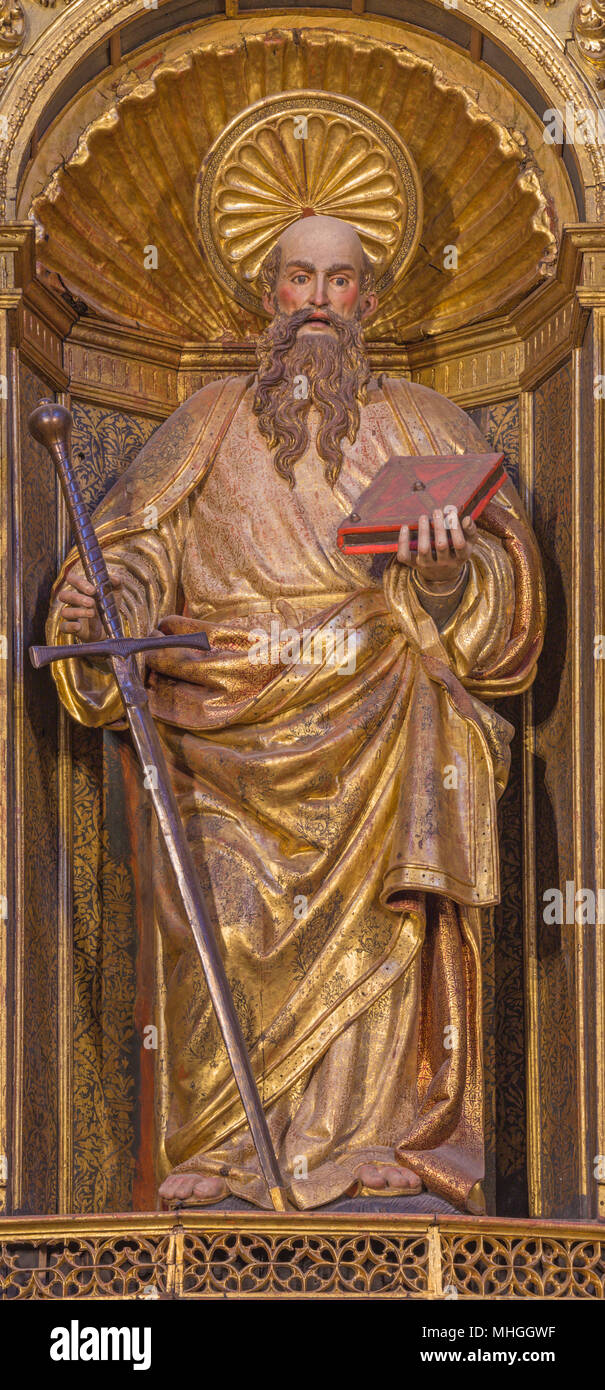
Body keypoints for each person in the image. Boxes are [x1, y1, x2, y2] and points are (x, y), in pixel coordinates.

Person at [47, 214, 544, 1211]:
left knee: (413, 757)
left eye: (340, 281)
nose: (317, 300)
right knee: (225, 924)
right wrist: (104, 600)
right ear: (265, 296)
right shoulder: (207, 419)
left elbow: (502, 604)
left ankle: (377, 1143)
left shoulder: (420, 419)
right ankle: (227, 1151)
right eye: (296, 280)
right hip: (222, 737)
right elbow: (134, 550)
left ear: (367, 299)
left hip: (377, 734)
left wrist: (447, 578)